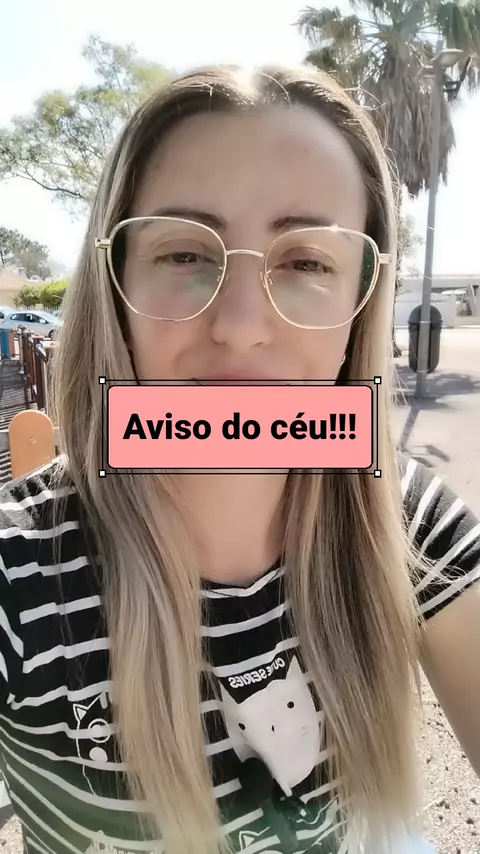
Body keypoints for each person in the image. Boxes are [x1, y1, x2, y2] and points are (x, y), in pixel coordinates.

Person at [0, 64, 478, 854]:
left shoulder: (406, 519)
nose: (242, 326)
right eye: (186, 253)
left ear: (362, 301)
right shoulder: (20, 569)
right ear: (115, 284)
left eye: (307, 261)